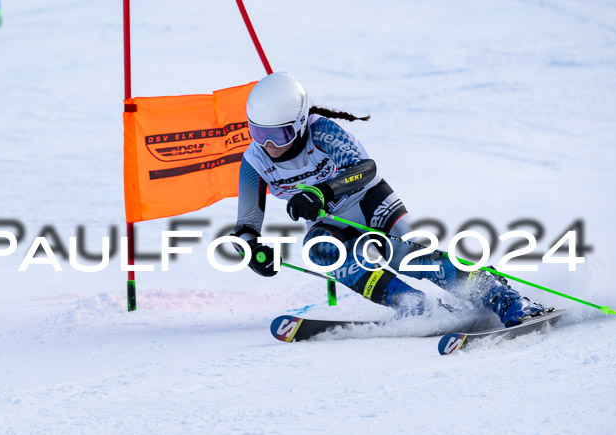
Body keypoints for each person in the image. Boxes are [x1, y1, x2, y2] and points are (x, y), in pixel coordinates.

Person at [232, 72, 547, 327]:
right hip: (331, 223)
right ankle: (416, 308)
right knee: (320, 251)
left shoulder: (323, 132)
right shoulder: (254, 162)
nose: (270, 145)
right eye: (259, 134)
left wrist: (321, 192)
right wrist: (252, 250)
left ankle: (504, 298)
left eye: (281, 135)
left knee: (410, 257)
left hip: (370, 201)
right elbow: (246, 225)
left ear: (300, 123)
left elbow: (365, 169)